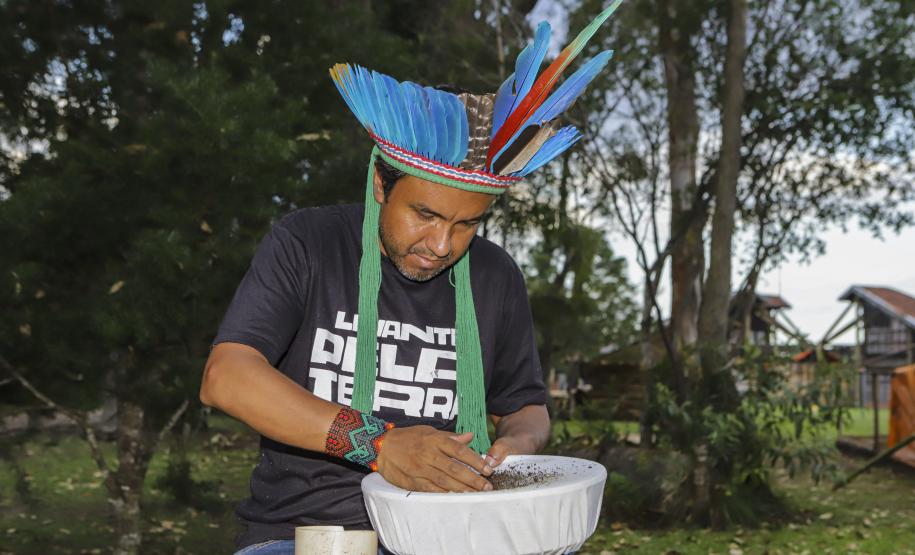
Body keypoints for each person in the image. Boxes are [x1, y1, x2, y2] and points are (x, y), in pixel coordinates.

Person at [199, 4, 620, 553]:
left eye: (466, 224)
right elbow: (227, 377)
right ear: (381, 184)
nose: (442, 245)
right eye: (425, 215)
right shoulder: (308, 244)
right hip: (306, 533)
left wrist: (516, 445)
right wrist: (378, 444)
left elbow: (524, 406)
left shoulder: (495, 277)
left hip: (453, 535)